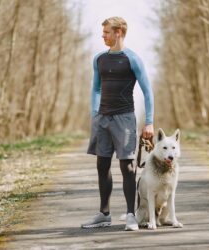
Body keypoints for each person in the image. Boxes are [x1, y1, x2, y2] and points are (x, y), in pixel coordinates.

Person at [81, 16, 154, 231]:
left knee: (128, 167)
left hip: (125, 119)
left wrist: (149, 122)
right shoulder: (99, 59)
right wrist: (95, 113)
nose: (102, 36)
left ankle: (131, 215)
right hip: (102, 119)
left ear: (118, 32)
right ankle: (104, 214)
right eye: (103, 33)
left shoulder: (132, 59)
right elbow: (95, 89)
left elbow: (147, 91)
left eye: (106, 33)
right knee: (102, 165)